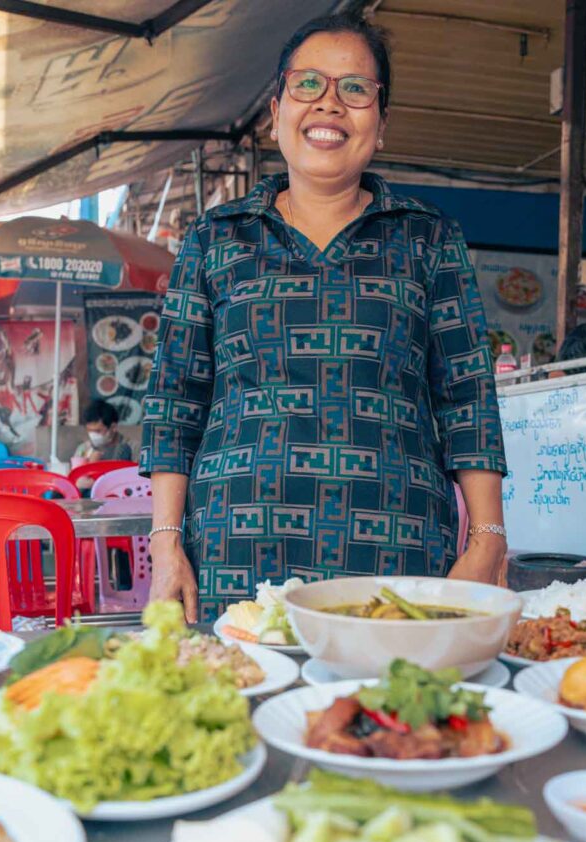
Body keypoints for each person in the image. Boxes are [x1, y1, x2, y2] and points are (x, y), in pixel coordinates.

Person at [141, 13, 507, 622]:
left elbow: (467, 396)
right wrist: (166, 544)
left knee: (395, 710)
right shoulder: (216, 237)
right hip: (236, 552)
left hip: (399, 551)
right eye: (308, 84)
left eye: (356, 89)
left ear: (381, 124)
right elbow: (175, 400)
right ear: (277, 111)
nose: (330, 104)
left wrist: (488, 536)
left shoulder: (427, 237)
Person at [74, 399, 132, 464]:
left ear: (113, 427)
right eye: (89, 431)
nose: (93, 435)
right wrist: (89, 465)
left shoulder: (132, 447)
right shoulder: (83, 449)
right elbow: (75, 472)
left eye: (98, 431)